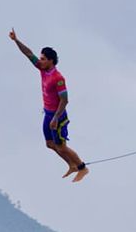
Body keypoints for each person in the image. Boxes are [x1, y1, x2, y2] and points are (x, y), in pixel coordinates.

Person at [9, 28, 89, 182]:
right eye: (41, 58)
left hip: (58, 116)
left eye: (43, 59)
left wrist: (56, 118)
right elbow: (28, 54)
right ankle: (71, 165)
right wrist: (16, 40)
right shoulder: (42, 68)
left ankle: (82, 167)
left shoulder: (58, 78)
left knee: (61, 147)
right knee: (50, 144)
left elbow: (65, 100)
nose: (40, 61)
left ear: (51, 61)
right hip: (48, 113)